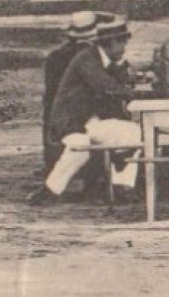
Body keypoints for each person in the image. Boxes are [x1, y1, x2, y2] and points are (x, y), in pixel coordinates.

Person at [32, 14, 138, 205]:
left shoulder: (98, 57)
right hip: (68, 123)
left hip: (86, 121)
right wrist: (123, 71)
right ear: (111, 42)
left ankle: (121, 186)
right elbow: (110, 89)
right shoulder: (87, 58)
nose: (124, 48)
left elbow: (117, 88)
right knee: (81, 146)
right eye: (122, 43)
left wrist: (122, 69)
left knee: (133, 133)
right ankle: (51, 189)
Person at [42, 11, 99, 172]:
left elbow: (50, 96)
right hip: (80, 118)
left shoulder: (55, 57)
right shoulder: (91, 56)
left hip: (55, 117)